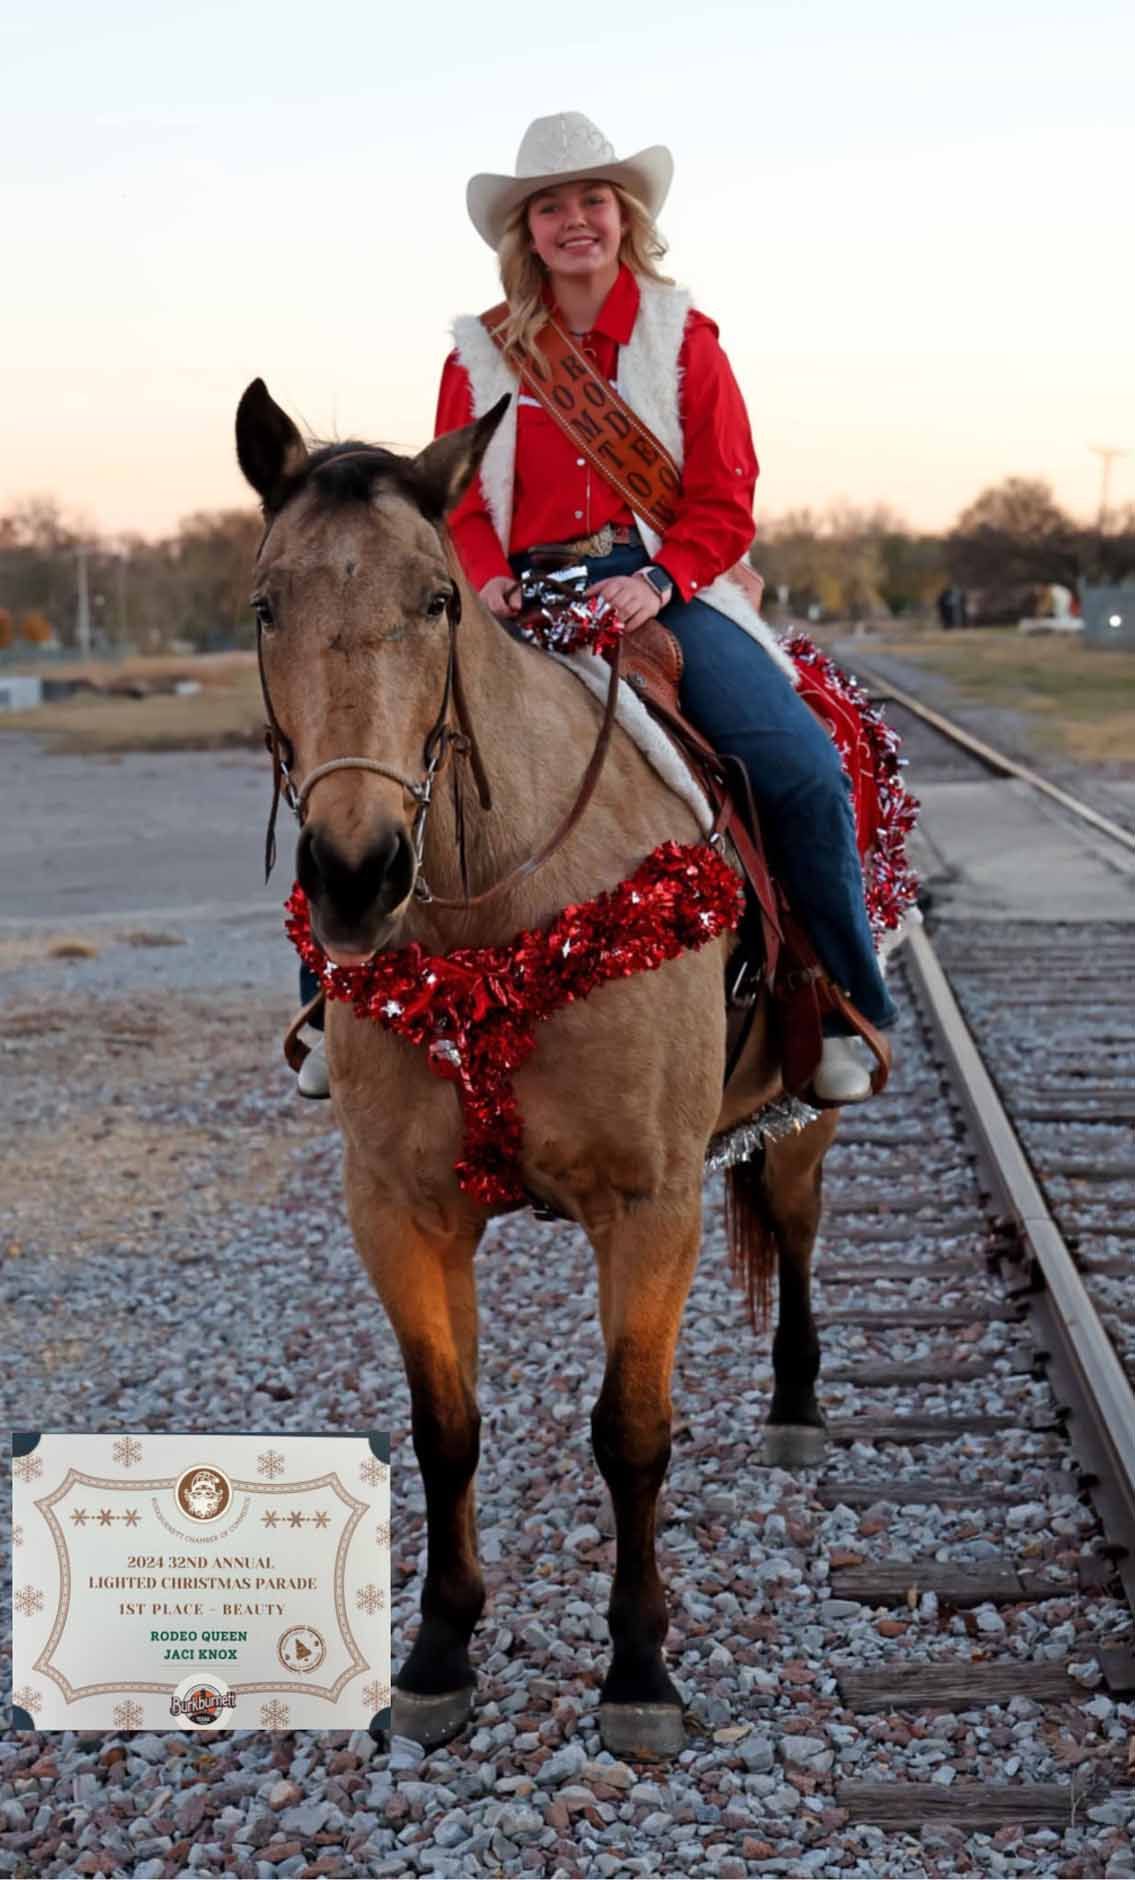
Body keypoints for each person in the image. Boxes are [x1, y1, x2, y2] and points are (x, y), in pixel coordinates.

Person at [425, 111, 896, 1106]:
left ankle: (841, 1000)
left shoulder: (683, 338)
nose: (573, 221)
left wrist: (659, 581)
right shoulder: (479, 353)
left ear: (624, 215)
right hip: (516, 599)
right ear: (527, 232)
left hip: (664, 587)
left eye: (591, 200)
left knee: (802, 773)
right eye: (550, 207)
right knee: (382, 752)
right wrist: (485, 574)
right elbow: (458, 501)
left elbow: (727, 501)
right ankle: (332, 1015)